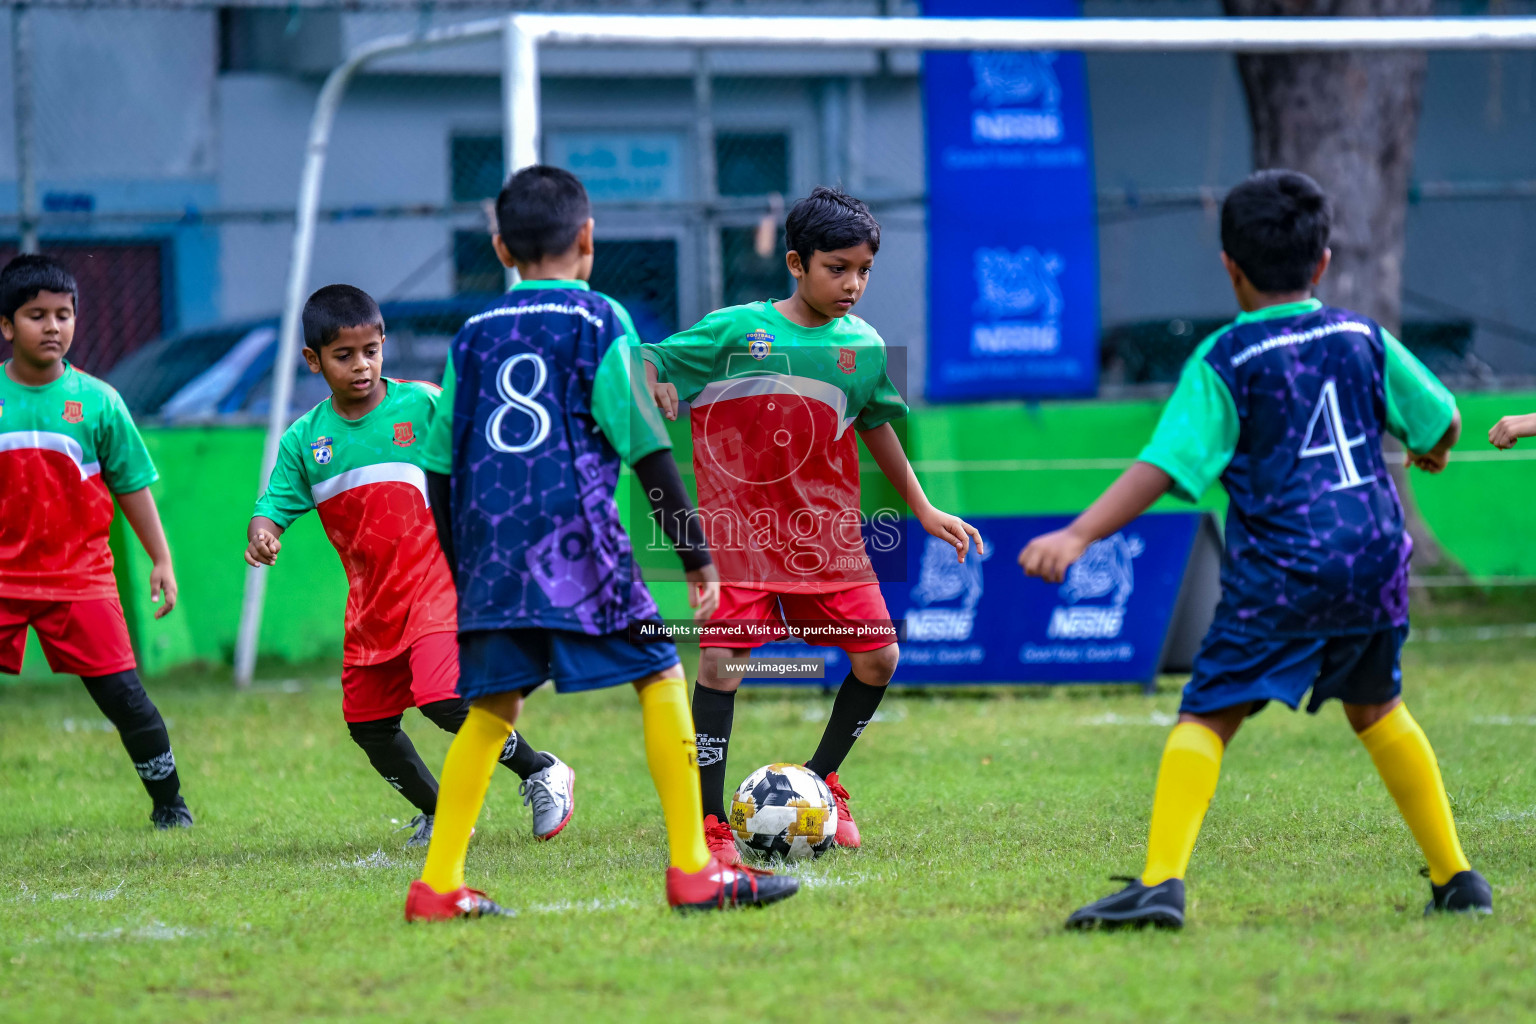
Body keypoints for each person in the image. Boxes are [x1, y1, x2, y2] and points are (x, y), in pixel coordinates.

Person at [1019, 169, 1490, 929]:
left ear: (1229, 265)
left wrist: (1078, 534)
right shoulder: (1361, 335)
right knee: (1378, 707)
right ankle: (1457, 877)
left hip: (1283, 572)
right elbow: (1442, 422)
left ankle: (1160, 885)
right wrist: (1429, 447)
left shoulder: (1226, 358)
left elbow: (1165, 466)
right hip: (1373, 560)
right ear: (1324, 263)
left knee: (1207, 713)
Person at [403, 165, 799, 919]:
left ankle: (439, 884)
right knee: (659, 672)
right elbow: (645, 445)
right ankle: (693, 871)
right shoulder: (597, 321)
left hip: (488, 551)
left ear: (499, 247)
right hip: (575, 541)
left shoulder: (471, 336)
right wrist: (697, 554)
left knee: (492, 705)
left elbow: (439, 471)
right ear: (587, 239)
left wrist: (464, 570)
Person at [642, 186, 983, 863]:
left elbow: (878, 421)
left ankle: (825, 779)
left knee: (880, 656)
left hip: (826, 540)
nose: (852, 283)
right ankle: (711, 824)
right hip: (739, 538)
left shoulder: (865, 346)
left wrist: (922, 506)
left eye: (863, 270)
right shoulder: (736, 331)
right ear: (795, 264)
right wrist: (653, 377)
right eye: (837, 268)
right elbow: (648, 356)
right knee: (719, 663)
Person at [246, 284, 573, 848]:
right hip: (373, 600)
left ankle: (542, 770)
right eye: (344, 355)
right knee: (369, 725)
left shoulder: (422, 404)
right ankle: (441, 815)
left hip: (438, 582)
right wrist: (263, 534)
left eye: (371, 350)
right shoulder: (305, 439)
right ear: (313, 360)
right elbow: (272, 506)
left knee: (442, 696)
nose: (361, 365)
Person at [0, 254, 191, 829]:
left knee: (125, 698)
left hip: (78, 579)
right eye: (37, 315)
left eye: (64, 314)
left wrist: (161, 557)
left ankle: (170, 805)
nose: (53, 326)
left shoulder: (101, 402)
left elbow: (131, 484)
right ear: (7, 327)